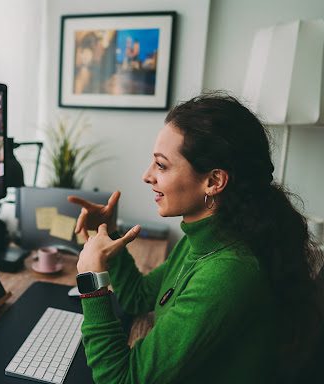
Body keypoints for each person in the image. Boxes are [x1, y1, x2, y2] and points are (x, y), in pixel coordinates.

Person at [68, 93, 324, 384]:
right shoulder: (205, 239)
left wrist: (91, 280)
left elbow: (121, 379)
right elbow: (138, 298)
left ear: (214, 181)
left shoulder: (227, 273)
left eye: (161, 166)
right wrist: (110, 232)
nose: (146, 176)